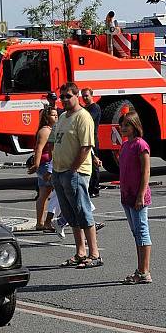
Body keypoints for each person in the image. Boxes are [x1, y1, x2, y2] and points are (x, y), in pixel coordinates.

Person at [52, 82, 102, 269]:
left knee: (83, 211)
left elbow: (86, 146)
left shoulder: (83, 117)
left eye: (68, 96)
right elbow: (55, 141)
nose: (64, 99)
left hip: (75, 172)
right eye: (62, 96)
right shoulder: (64, 116)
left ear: (77, 96)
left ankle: (94, 254)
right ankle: (80, 252)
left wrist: (73, 168)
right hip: (59, 171)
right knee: (70, 213)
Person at [119, 111, 153, 284]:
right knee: (136, 233)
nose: (123, 128)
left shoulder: (141, 145)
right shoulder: (125, 145)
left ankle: (144, 271)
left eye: (126, 125)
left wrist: (140, 195)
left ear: (135, 126)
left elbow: (146, 171)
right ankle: (140, 269)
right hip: (127, 195)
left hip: (138, 196)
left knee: (142, 232)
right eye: (122, 125)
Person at [28, 107, 56, 230]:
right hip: (46, 165)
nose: (56, 117)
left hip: (46, 164)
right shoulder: (45, 131)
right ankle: (46, 221)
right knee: (55, 194)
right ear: (46, 117)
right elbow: (39, 148)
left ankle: (41, 223)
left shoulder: (50, 129)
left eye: (56, 115)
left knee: (44, 194)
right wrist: (36, 164)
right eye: (53, 115)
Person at [81, 88, 102, 198]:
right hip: (86, 137)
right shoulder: (85, 108)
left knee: (94, 164)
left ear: (91, 95)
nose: (84, 98)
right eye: (83, 96)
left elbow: (88, 119)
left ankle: (95, 188)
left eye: (86, 95)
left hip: (92, 138)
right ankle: (89, 188)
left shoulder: (95, 107)